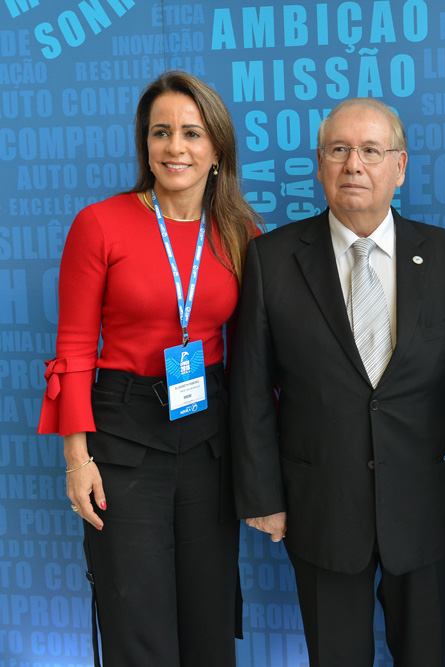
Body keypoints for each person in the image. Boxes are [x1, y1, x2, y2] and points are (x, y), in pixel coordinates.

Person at [229, 97, 445, 666]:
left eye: (371, 151)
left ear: (399, 166)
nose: (354, 164)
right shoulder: (272, 260)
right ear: (320, 164)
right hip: (320, 509)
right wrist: (262, 496)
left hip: (426, 511)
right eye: (339, 150)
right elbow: (250, 388)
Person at [38, 71, 261, 665]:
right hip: (121, 436)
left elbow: (250, 361)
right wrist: (77, 459)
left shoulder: (241, 232)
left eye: (191, 133)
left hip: (209, 439)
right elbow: (76, 349)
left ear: (217, 148)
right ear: (145, 144)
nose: (175, 147)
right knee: (137, 620)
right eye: (160, 133)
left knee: (209, 617)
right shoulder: (100, 224)